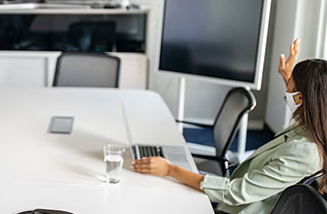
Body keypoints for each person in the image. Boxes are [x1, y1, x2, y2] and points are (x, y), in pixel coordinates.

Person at [132, 38, 325, 214]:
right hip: (235, 192)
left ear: (301, 98)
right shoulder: (312, 125)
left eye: (291, 89)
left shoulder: (306, 152)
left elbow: (236, 193)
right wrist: (288, 77)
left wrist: (170, 170)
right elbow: (299, 104)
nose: (288, 92)